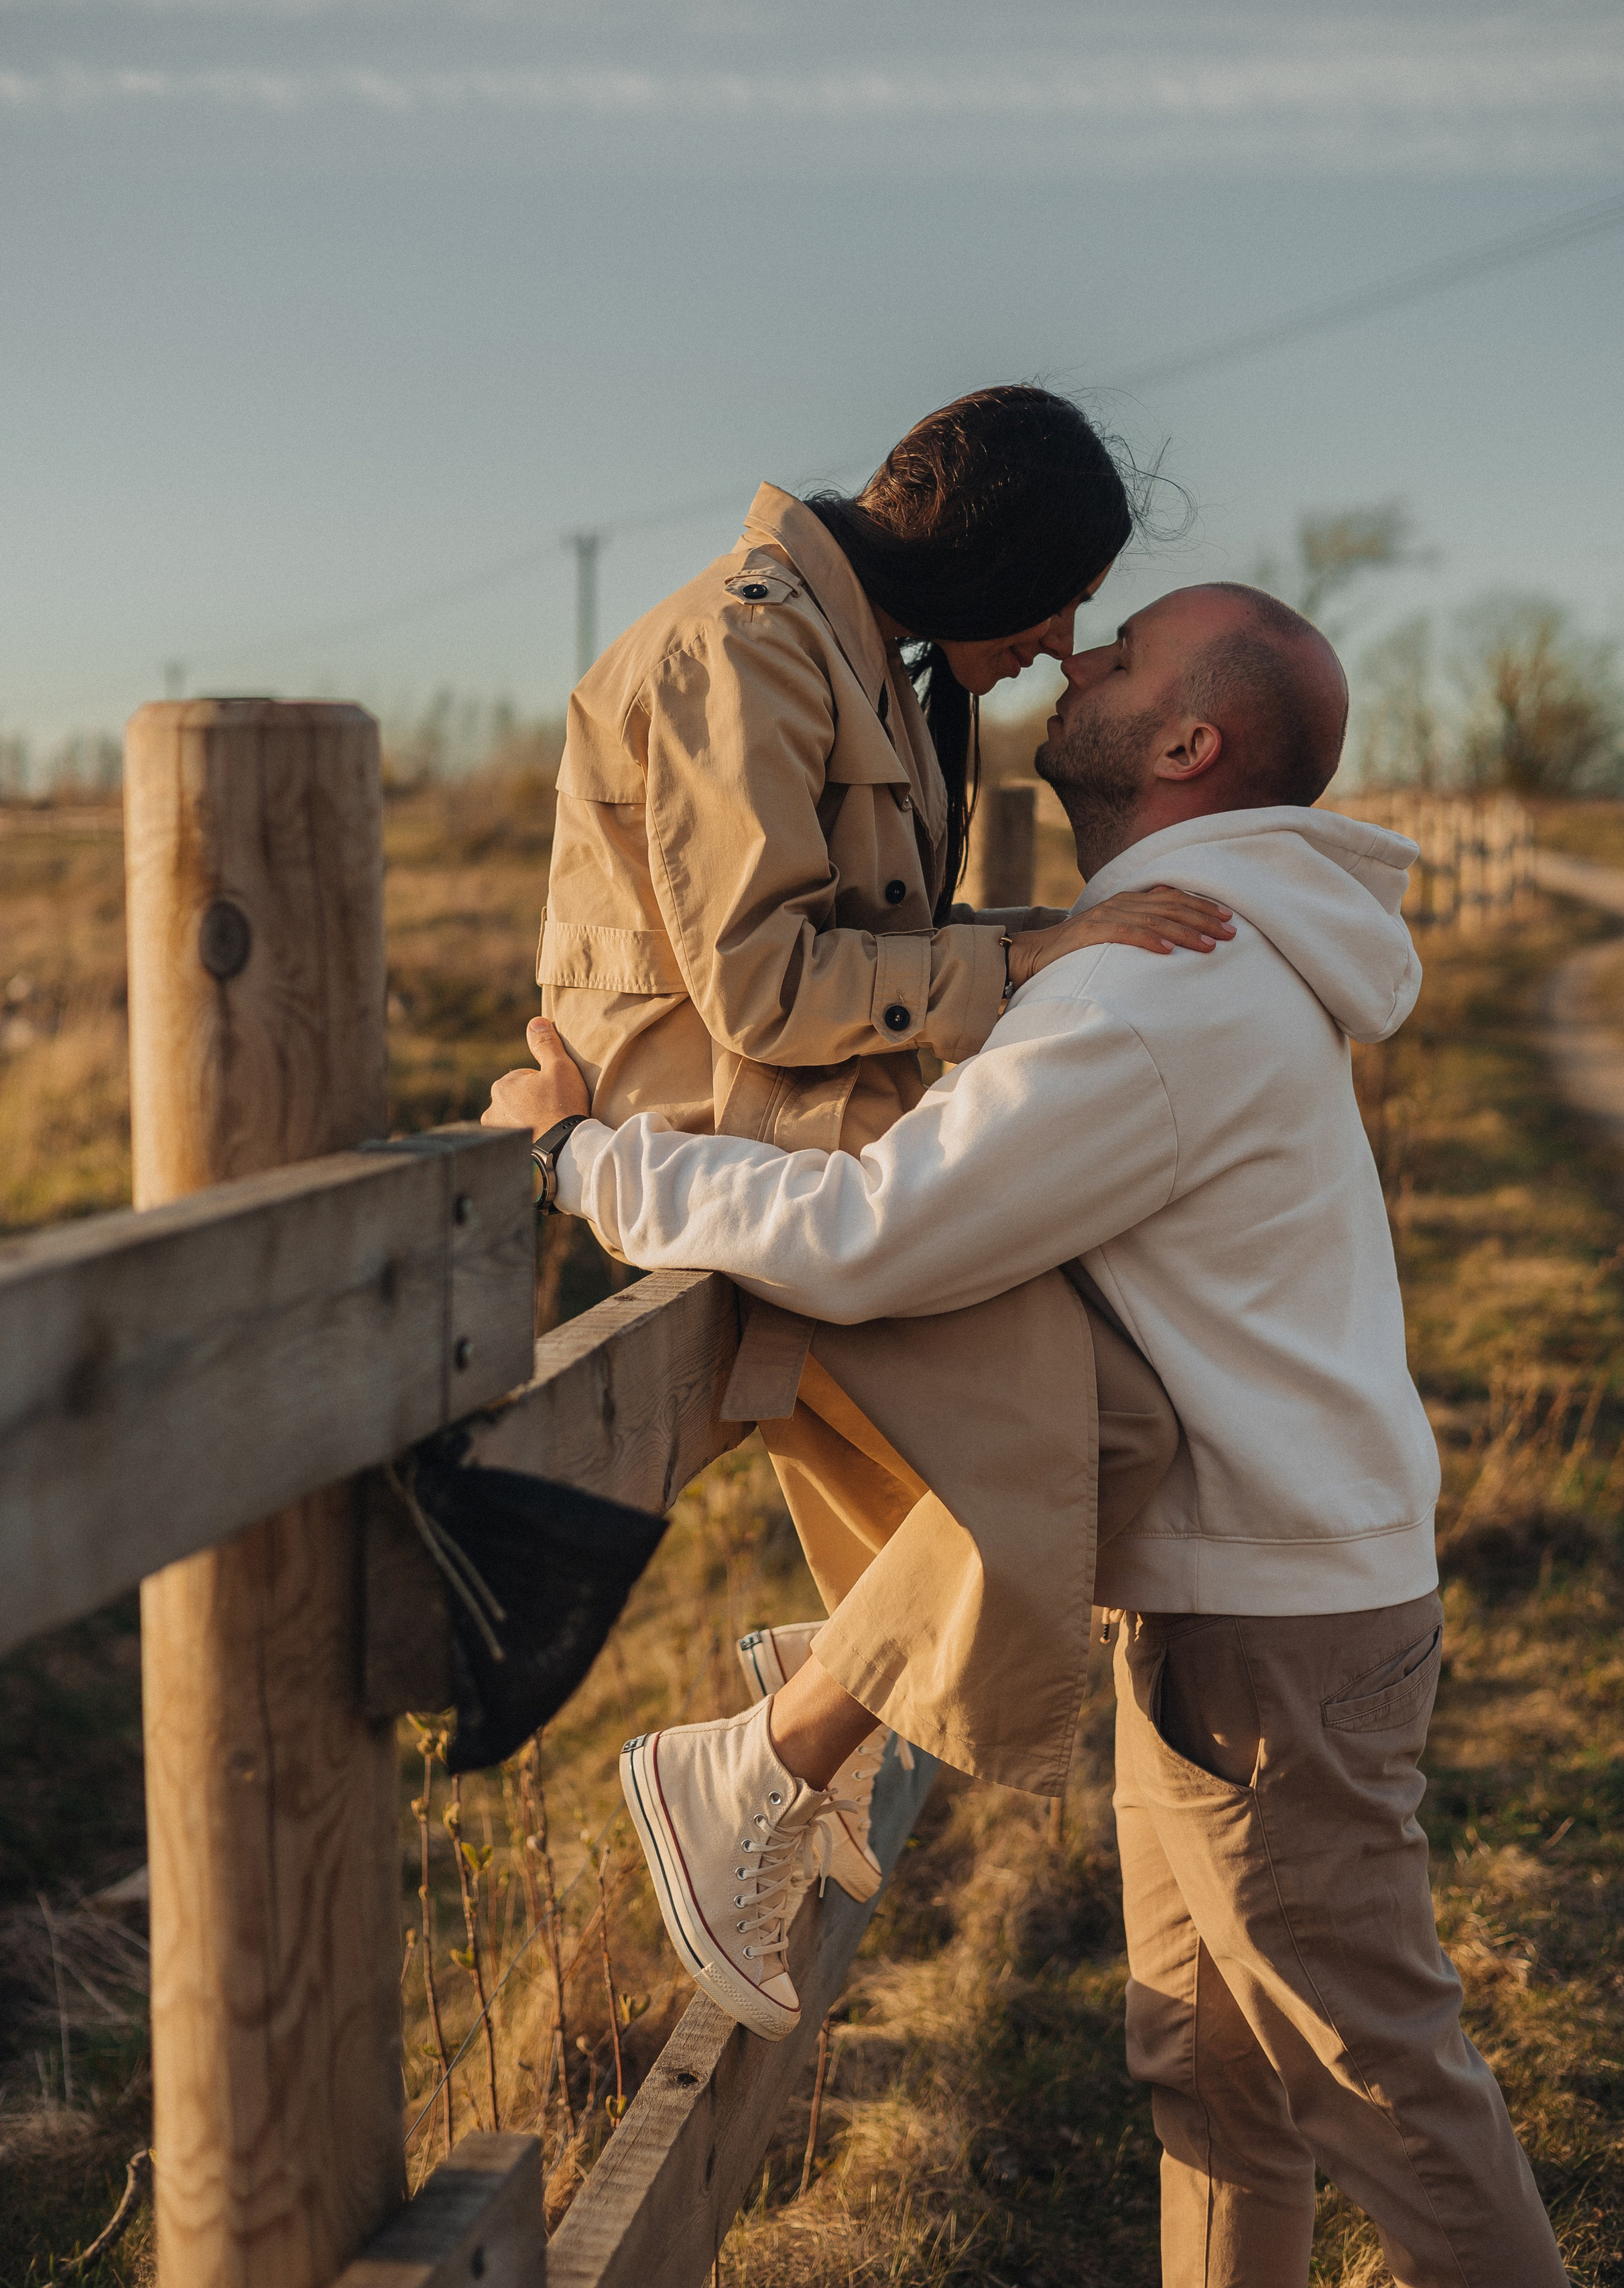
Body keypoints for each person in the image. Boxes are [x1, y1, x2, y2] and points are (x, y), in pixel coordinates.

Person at [489, 581, 1570, 2287]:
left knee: (1378, 2084)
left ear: (1186, 743)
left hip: (1272, 1638)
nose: (1075, 658)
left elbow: (875, 1234)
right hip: (1252, 1601)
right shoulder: (1176, 950)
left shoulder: (1164, 991)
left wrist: (584, 1160)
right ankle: (786, 1741)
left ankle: (775, 1749)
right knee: (1214, 2079)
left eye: (1120, 657)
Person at [513, 384, 1227, 1955]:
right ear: (980, 563)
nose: (1053, 646)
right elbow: (770, 988)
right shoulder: (747, 648)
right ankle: (753, 1769)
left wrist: (1033, 953)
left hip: (810, 1108)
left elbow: (869, 952)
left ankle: (804, 1717)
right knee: (1091, 1444)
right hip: (726, 1123)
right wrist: (1034, 957)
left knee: (1119, 1429)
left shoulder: (855, 657)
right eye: (1050, 602)